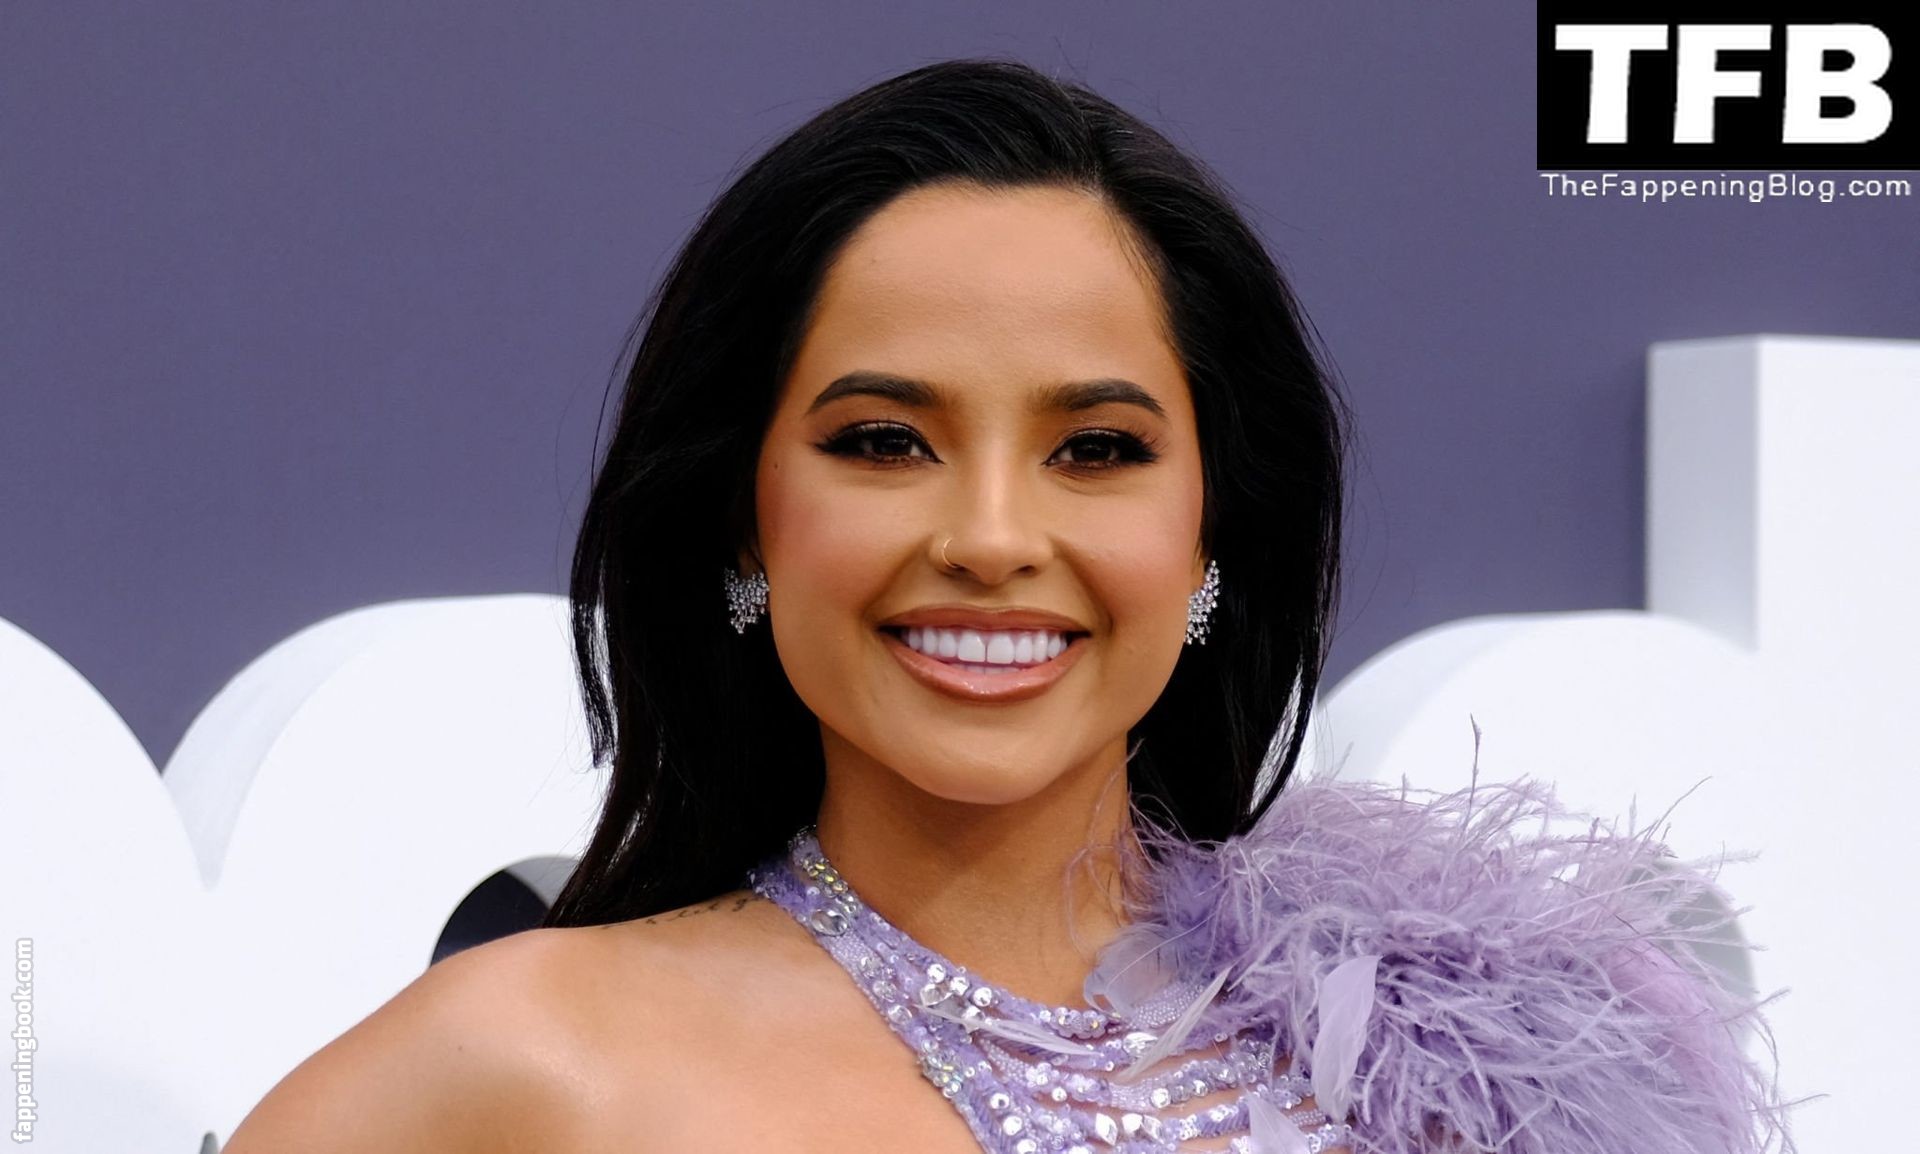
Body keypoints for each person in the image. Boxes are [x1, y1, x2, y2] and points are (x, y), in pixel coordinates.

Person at [225, 58, 1796, 1153]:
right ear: (744, 518)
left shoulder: (1455, 1077)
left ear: (1210, 539)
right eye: (882, 441)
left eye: (1096, 450)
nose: (989, 537)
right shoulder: (520, 1068)